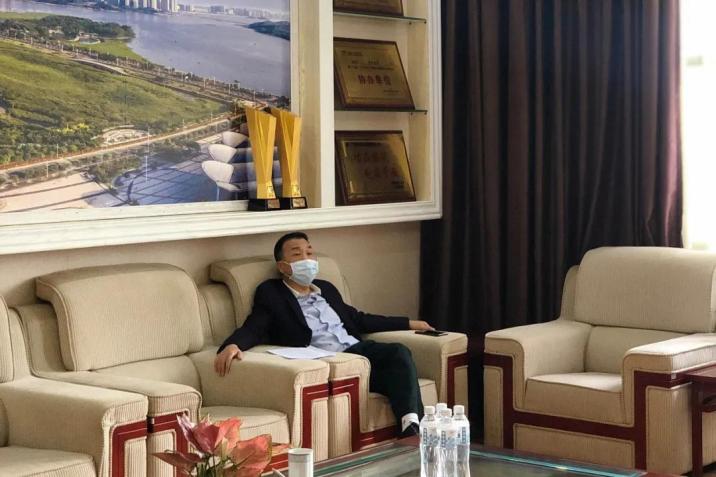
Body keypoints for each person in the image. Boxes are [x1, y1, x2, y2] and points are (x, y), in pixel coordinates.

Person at [214, 231, 434, 437]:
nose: (307, 259)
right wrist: (234, 344)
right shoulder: (272, 292)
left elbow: (359, 319)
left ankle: (412, 428)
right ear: (282, 266)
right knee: (397, 369)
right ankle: (414, 432)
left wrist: (409, 323)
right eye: (297, 254)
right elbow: (255, 325)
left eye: (309, 252)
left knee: (399, 356)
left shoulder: (326, 288)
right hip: (328, 358)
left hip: (357, 351)